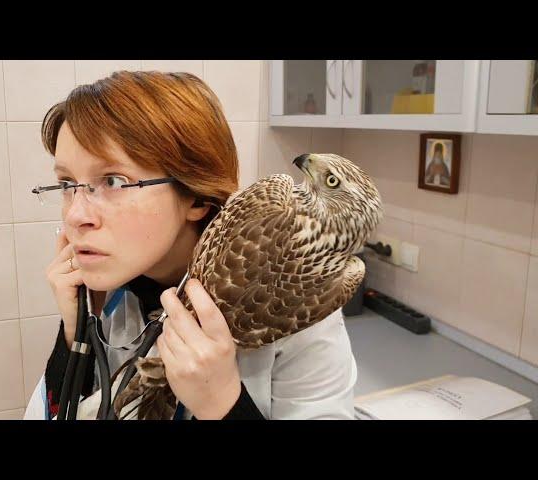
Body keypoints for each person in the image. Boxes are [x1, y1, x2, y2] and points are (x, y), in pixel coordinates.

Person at [23, 70, 358, 420]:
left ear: (196, 196)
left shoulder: (293, 302)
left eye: (113, 180)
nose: (75, 215)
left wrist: (224, 404)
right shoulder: (106, 298)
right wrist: (75, 335)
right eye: (66, 183)